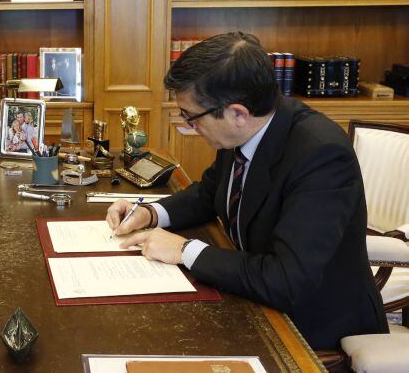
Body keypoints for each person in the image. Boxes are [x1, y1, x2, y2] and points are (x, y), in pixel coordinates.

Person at [105, 32, 387, 350]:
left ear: (238, 113)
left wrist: (185, 250)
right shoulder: (248, 128)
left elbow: (286, 280)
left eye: (191, 117)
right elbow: (210, 192)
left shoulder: (320, 155)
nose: (189, 127)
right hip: (250, 294)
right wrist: (150, 213)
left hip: (314, 328)